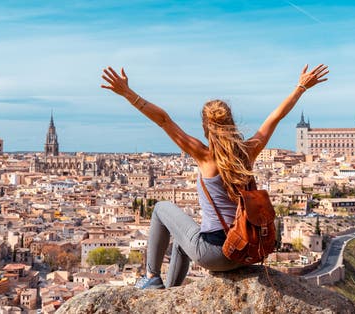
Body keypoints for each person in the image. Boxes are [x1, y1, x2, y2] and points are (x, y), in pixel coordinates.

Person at [100, 64, 329, 289]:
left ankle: (152, 276)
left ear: (205, 126)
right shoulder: (248, 152)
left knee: (160, 207)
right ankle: (169, 292)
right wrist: (300, 87)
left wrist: (127, 93)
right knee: (183, 241)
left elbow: (164, 121)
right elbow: (274, 118)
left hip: (214, 254)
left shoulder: (204, 157)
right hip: (242, 250)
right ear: (231, 123)